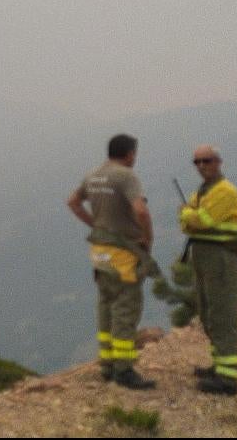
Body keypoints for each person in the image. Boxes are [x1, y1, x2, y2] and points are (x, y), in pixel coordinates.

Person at [67, 133, 157, 390]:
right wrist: (147, 238)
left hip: (100, 255)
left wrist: (95, 224)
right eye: (134, 154)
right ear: (129, 154)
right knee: (125, 311)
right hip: (123, 256)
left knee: (105, 307)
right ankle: (124, 370)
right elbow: (140, 210)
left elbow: (72, 202)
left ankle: (106, 366)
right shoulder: (126, 176)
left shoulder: (93, 175)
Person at [179, 144, 237, 396]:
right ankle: (219, 366)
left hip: (220, 258)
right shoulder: (203, 191)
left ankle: (228, 379)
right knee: (208, 313)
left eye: (206, 161)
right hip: (204, 256)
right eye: (196, 162)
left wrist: (188, 214)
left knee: (222, 315)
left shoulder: (225, 191)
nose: (201, 166)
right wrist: (189, 216)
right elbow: (187, 223)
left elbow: (199, 221)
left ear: (218, 161)